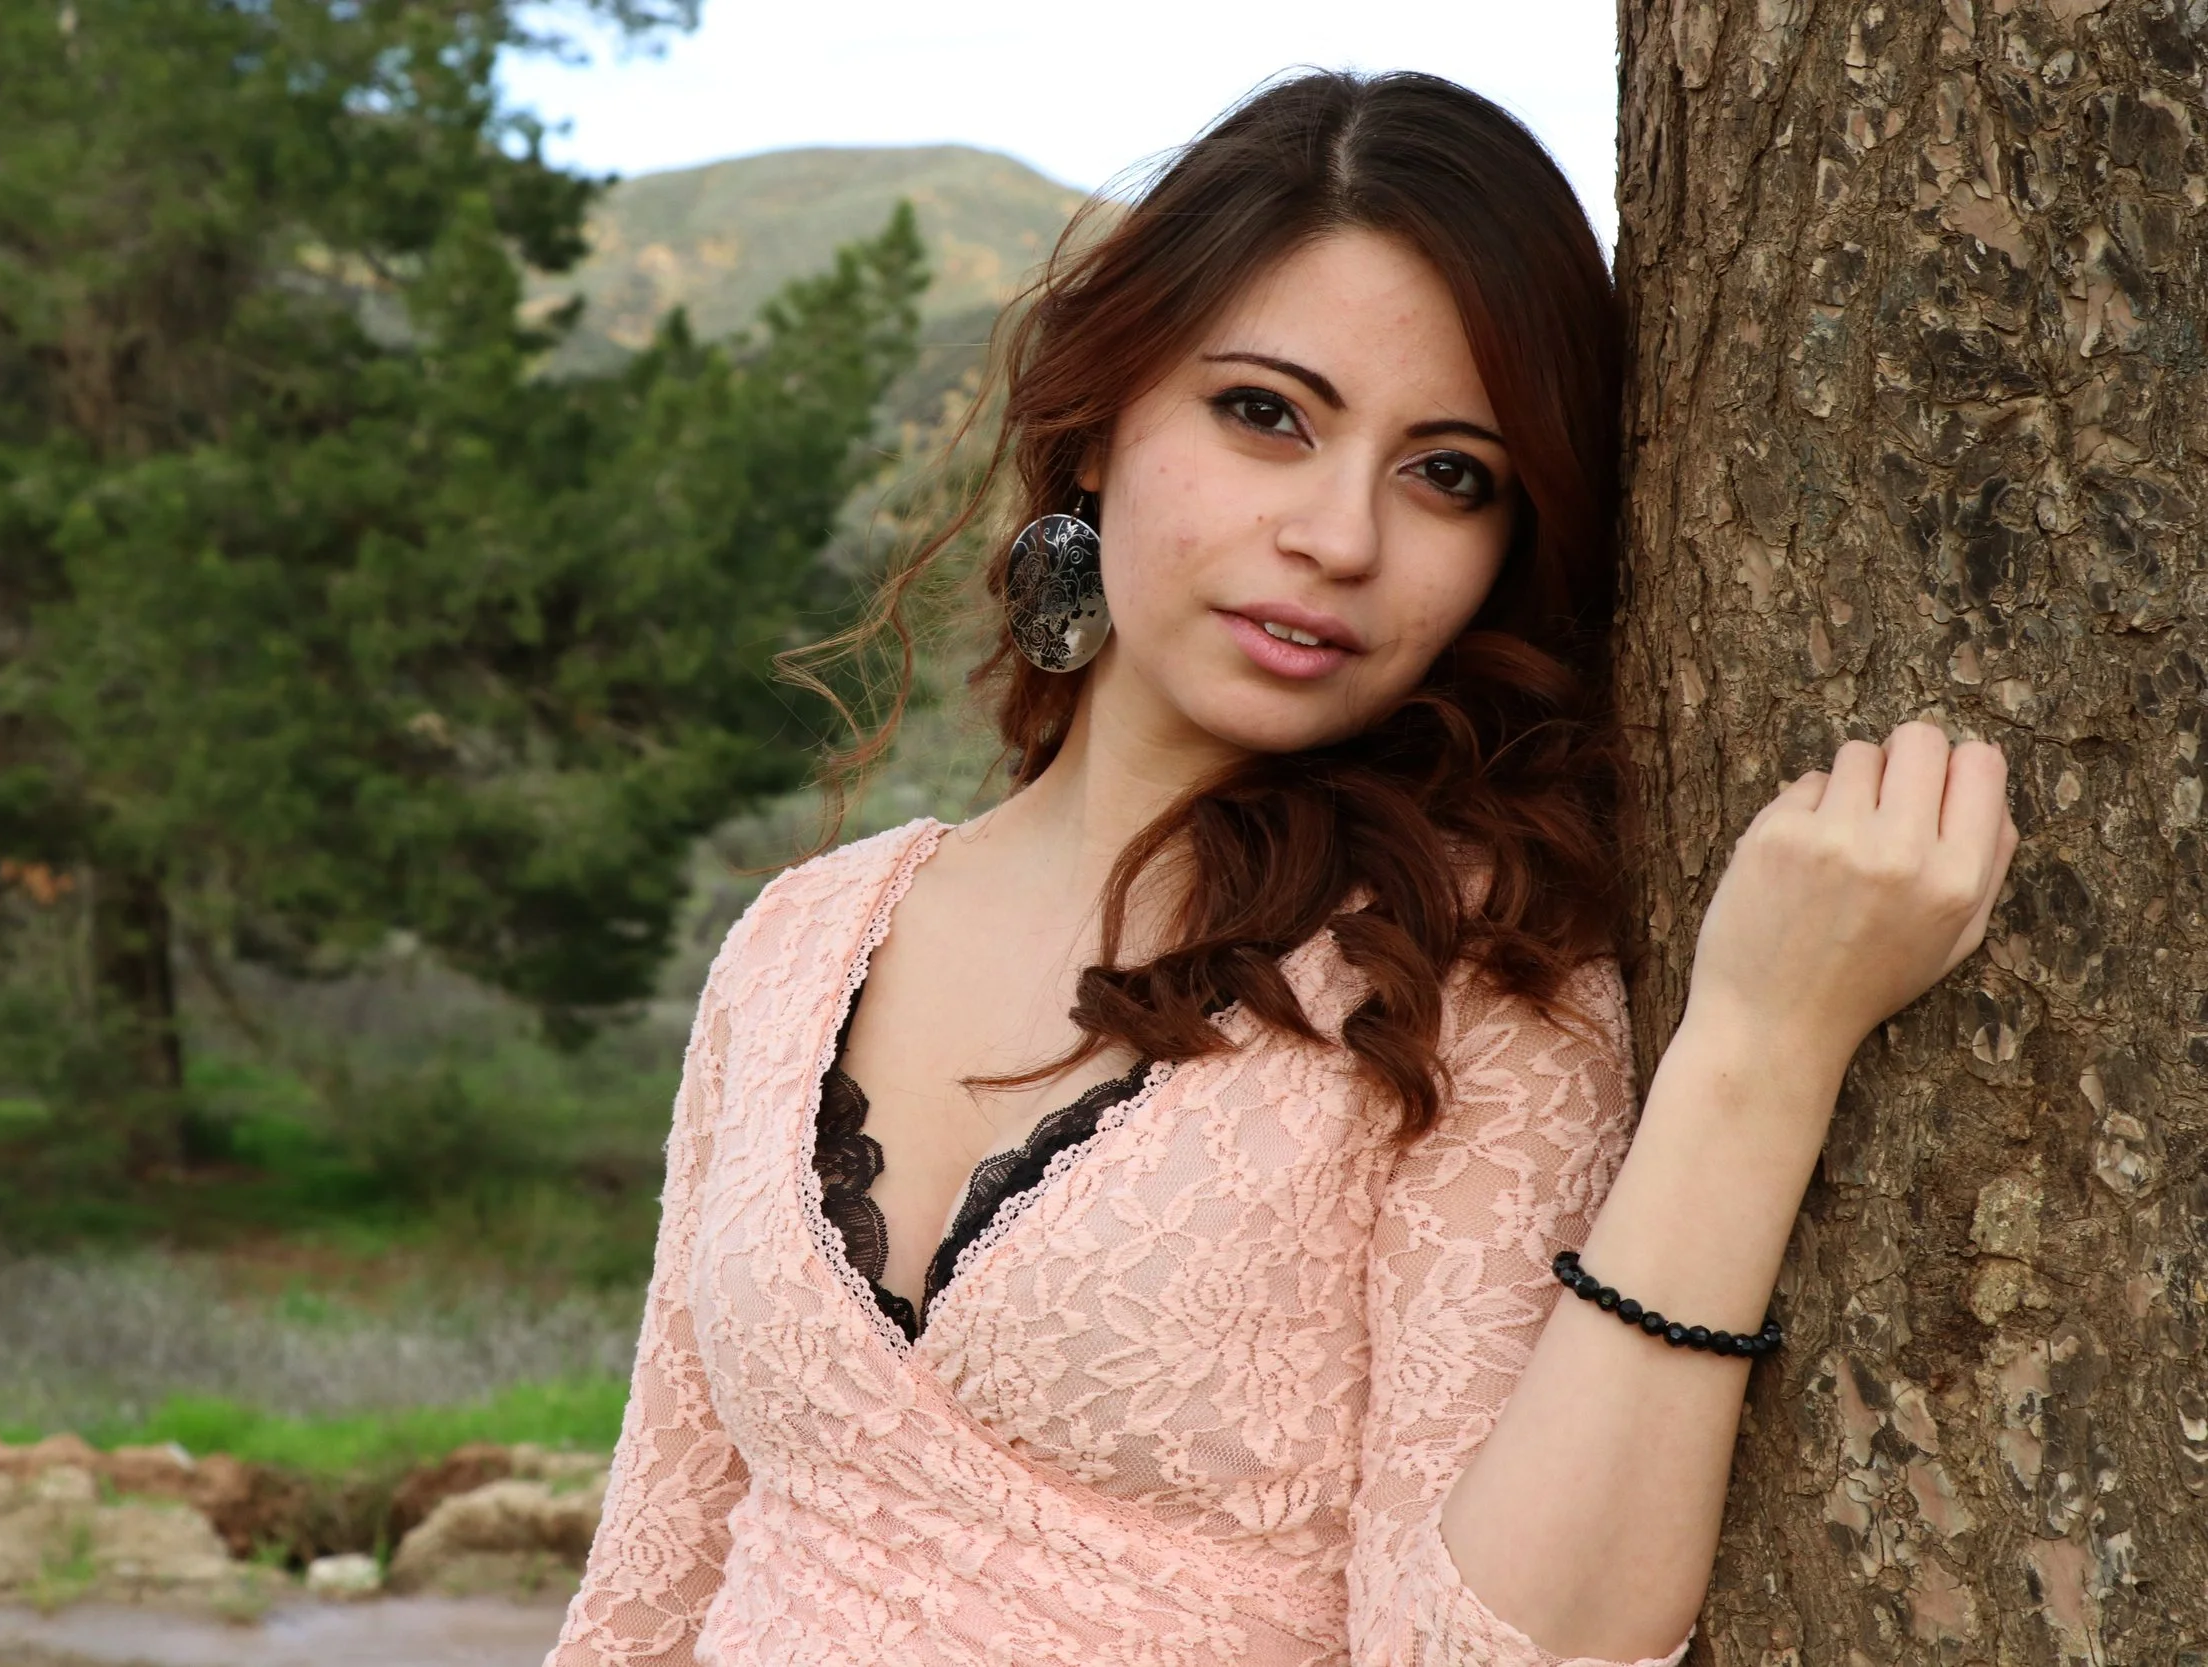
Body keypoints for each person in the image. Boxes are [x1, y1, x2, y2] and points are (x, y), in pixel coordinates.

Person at [544, 70, 2016, 1667]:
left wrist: (1762, 1047)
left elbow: (1502, 1648)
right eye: (1267, 413)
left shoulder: (1460, 974)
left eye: (1448, 471)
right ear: (1103, 421)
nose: (1339, 533)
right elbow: (651, 1571)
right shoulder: (800, 937)